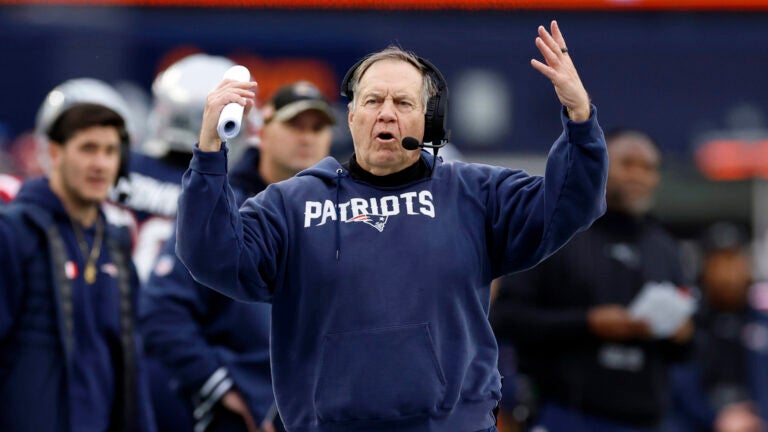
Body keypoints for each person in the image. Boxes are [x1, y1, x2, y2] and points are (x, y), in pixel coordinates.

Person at [176, 21, 608, 432]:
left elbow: (570, 202)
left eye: (402, 103)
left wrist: (579, 114)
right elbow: (211, 255)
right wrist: (210, 149)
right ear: (351, 117)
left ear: (429, 120)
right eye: (372, 101)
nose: (386, 114)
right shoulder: (291, 204)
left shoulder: (475, 194)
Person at [140, 81, 335, 432]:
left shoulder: (342, 213)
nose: (307, 137)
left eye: (318, 127)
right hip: (242, 415)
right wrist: (225, 389)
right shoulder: (222, 206)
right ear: (262, 129)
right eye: (294, 125)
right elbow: (162, 311)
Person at [490, 128, 693, 432]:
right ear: (601, 164)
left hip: (647, 419)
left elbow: (692, 346)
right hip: (566, 414)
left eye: (648, 167)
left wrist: (682, 333)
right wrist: (588, 323)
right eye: (627, 163)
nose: (638, 175)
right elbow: (506, 319)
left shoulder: (665, 247)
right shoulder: (557, 232)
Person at [0, 79, 155, 431]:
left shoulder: (115, 245)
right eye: (87, 148)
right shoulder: (14, 233)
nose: (100, 164)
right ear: (54, 153)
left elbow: (131, 367)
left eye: (111, 151)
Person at [665, 223, 768, 432]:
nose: (727, 274)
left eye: (733, 261)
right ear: (705, 266)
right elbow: (677, 385)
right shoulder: (687, 322)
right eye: (718, 262)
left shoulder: (761, 323)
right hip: (698, 422)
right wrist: (715, 419)